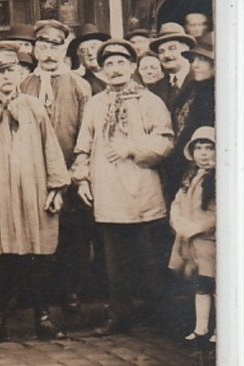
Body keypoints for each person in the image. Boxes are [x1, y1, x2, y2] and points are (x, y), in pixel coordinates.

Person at [0, 43, 70, 342]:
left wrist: (56, 187)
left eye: (11, 70)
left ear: (20, 73)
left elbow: (51, 148)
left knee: (38, 260)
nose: (6, 77)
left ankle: (43, 318)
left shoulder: (34, 107)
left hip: (34, 196)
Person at [72, 39, 174, 336]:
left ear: (132, 67)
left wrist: (131, 146)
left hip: (141, 190)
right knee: (114, 261)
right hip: (107, 192)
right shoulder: (95, 103)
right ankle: (120, 314)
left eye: (121, 63)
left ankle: (158, 315)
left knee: (148, 257)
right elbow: (84, 144)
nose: (115, 69)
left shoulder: (150, 101)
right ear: (102, 70)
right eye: (109, 64)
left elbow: (165, 141)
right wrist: (81, 177)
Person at [20, 20, 92, 313]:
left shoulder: (78, 84)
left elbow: (87, 128)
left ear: (64, 49)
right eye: (44, 47)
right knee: (37, 230)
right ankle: (39, 294)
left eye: (56, 47)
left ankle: (70, 290)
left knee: (71, 233)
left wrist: (79, 166)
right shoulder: (23, 84)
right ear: (35, 49)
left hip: (70, 167)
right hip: (33, 170)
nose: (49, 53)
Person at [168, 126, 216, 344]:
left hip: (210, 241)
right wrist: (178, 221)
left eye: (209, 148)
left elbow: (223, 213)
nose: (203, 153)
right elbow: (177, 202)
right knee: (200, 284)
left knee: (215, 284)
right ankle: (201, 329)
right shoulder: (191, 176)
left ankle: (220, 330)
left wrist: (199, 227)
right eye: (199, 148)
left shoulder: (220, 178)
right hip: (191, 240)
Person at [163, 38, 216, 201]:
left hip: (204, 165)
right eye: (194, 60)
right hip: (181, 163)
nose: (196, 65)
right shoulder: (191, 89)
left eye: (203, 60)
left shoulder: (216, 93)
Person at [149, 22, 196, 111]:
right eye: (161, 51)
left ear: (186, 49)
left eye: (172, 48)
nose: (166, 55)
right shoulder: (155, 90)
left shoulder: (205, 82)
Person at [67, 23, 110, 96]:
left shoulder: (121, 74)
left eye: (94, 47)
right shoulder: (80, 84)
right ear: (80, 58)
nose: (90, 53)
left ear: (104, 50)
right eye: (83, 51)